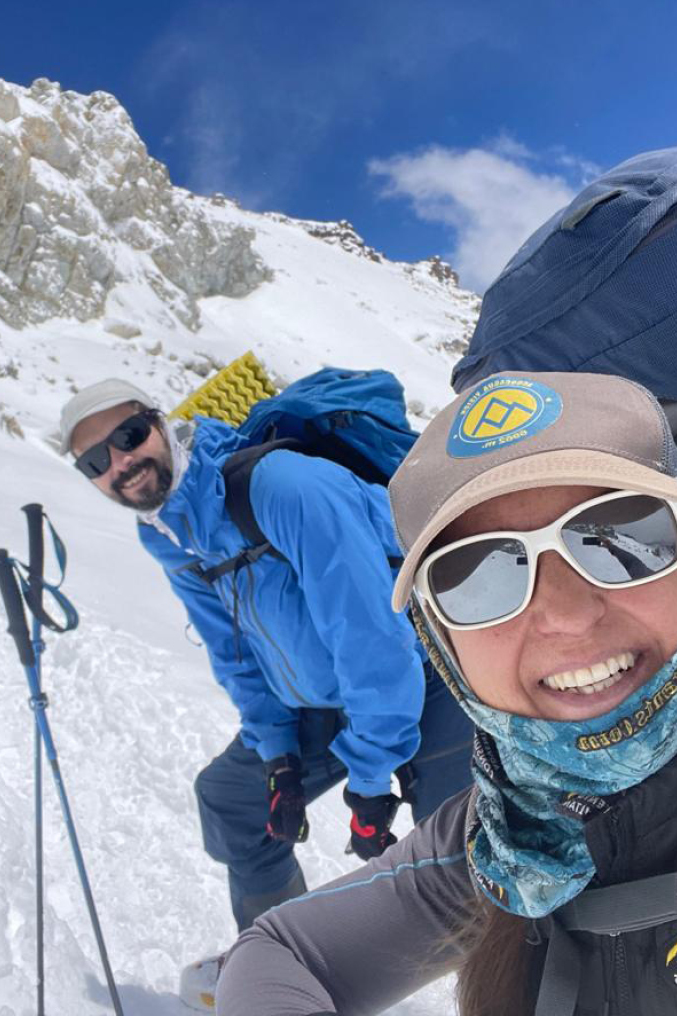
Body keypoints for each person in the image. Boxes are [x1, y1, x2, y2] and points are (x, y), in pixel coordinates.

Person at [217, 370, 677, 1016]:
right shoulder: (510, 829)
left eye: (621, 536)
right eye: (476, 575)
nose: (567, 615)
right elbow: (282, 952)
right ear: (438, 637)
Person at [58, 380, 475, 933]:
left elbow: (372, 637)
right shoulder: (167, 533)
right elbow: (233, 653)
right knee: (230, 802)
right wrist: (278, 756)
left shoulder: (284, 488)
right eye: (95, 461)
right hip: (323, 700)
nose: (121, 462)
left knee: (454, 863)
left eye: (129, 435)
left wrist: (370, 782)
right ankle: (281, 962)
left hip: (425, 676)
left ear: (160, 422)